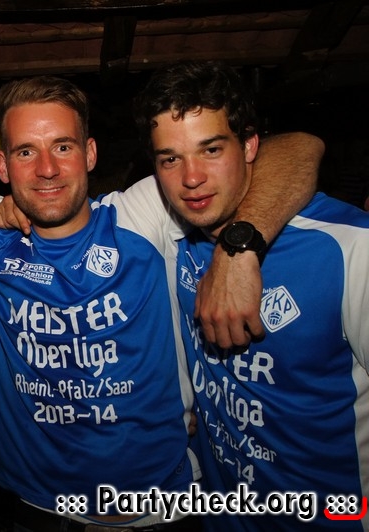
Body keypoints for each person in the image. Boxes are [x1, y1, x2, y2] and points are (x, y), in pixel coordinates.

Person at [0, 76, 323, 529]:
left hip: (159, 510)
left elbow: (299, 148)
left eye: (62, 146)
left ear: (89, 153)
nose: (46, 169)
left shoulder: (142, 214)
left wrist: (239, 247)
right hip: (29, 510)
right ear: (2, 167)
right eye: (25, 151)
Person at [133, 60, 369, 530]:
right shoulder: (170, 238)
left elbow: (301, 145)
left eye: (211, 149)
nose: (191, 178)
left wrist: (238, 246)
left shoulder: (348, 249)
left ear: (250, 145)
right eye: (170, 159)